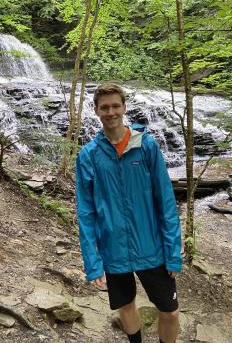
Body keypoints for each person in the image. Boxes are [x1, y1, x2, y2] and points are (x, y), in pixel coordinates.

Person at [76, 83, 182, 343]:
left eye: (115, 106)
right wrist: (93, 261)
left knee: (170, 312)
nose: (110, 112)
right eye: (105, 107)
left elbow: (166, 201)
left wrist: (173, 251)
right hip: (113, 248)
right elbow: (86, 212)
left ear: (124, 108)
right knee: (126, 305)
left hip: (152, 247)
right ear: (96, 111)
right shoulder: (88, 156)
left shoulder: (146, 146)